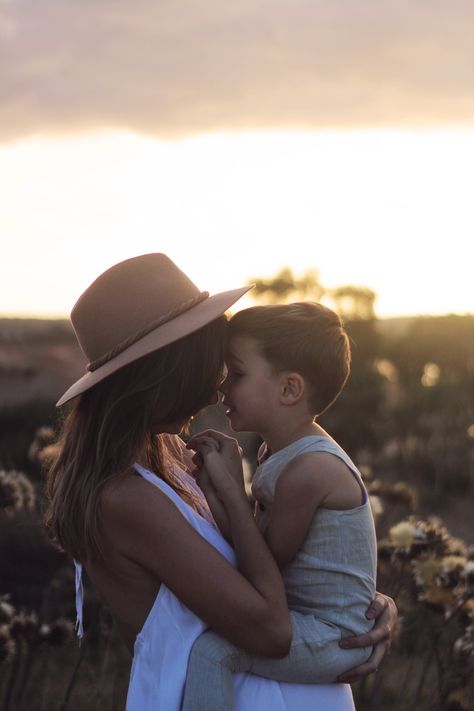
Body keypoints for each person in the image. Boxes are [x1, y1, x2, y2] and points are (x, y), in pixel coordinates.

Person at [45, 254, 396, 711]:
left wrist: (356, 603)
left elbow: (258, 570)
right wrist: (233, 494)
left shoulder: (167, 456)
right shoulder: (125, 498)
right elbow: (270, 629)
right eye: (211, 368)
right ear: (165, 372)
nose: (217, 391)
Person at [182, 301, 379, 711]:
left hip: (334, 636)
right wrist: (215, 490)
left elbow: (262, 567)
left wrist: (232, 492)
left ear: (289, 389)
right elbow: (250, 542)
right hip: (306, 622)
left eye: (236, 374)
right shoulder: (278, 452)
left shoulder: (309, 470)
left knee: (211, 651)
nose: (221, 388)